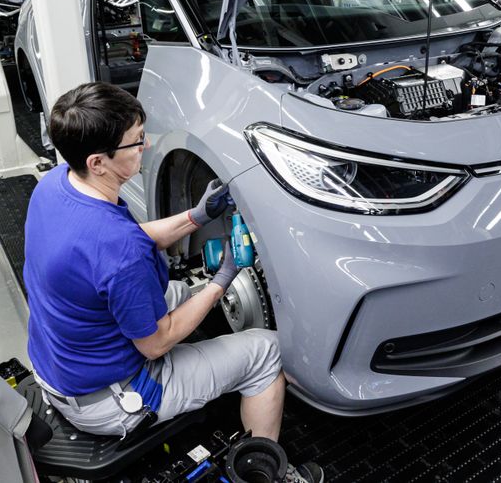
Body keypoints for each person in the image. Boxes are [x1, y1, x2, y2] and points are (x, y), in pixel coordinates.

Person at [23, 82, 322, 482]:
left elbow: (124, 243)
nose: (144, 148)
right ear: (98, 162)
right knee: (266, 353)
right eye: (135, 143)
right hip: (112, 399)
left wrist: (196, 216)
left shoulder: (56, 186)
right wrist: (224, 279)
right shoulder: (117, 251)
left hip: (59, 368)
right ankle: (265, 471)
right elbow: (156, 343)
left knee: (180, 292)